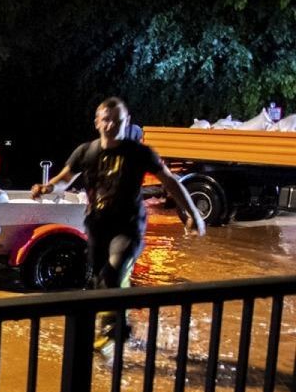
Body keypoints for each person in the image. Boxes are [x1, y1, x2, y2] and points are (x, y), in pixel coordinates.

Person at [31, 97, 206, 342]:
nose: (111, 125)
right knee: (97, 279)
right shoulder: (86, 151)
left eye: (118, 120)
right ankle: (108, 326)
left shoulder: (140, 153)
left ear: (127, 122)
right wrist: (47, 188)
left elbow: (170, 181)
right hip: (97, 225)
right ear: (97, 123)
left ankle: (116, 329)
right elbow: (64, 179)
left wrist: (193, 213)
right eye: (106, 120)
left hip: (128, 226)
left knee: (113, 271)